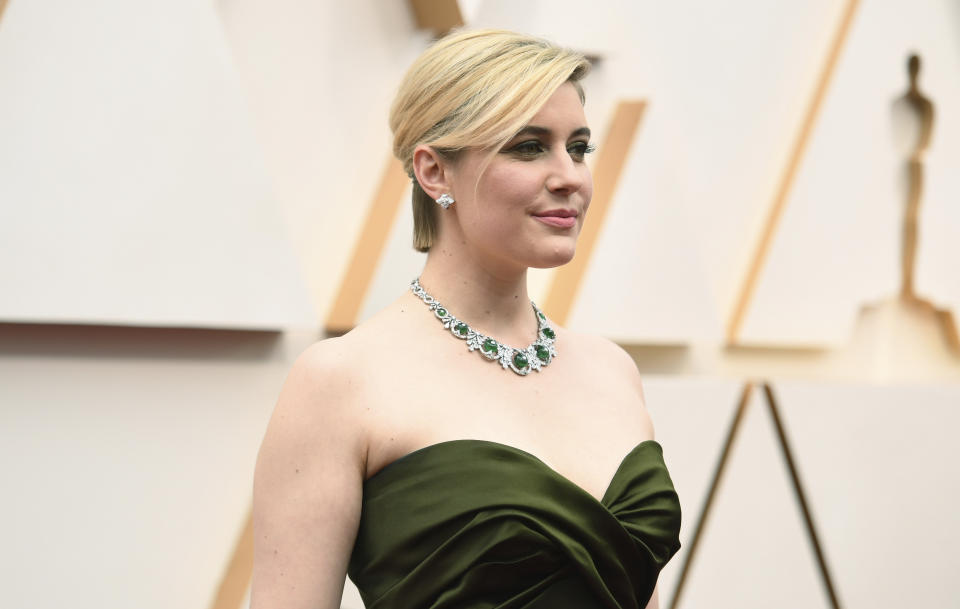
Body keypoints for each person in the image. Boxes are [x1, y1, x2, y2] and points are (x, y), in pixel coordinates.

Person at [251, 29, 681, 609]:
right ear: (434, 172)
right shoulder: (341, 381)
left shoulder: (612, 370)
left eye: (578, 148)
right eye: (529, 147)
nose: (571, 177)